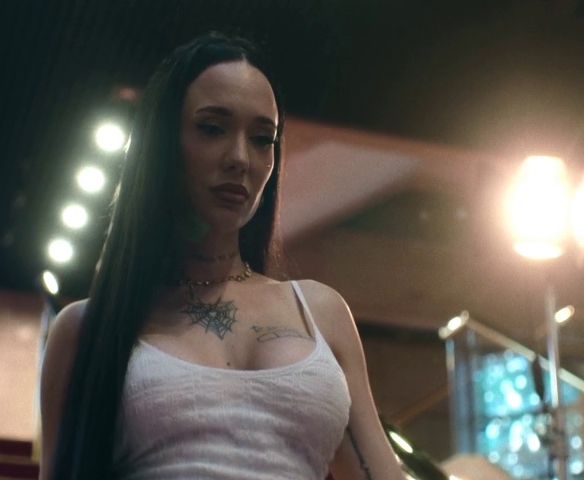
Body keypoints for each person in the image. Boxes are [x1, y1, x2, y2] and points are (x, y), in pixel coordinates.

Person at [39, 32, 405, 480]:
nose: (240, 158)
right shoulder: (86, 331)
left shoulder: (320, 313)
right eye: (212, 128)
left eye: (262, 138)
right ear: (163, 143)